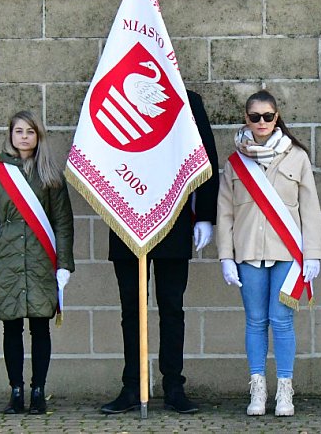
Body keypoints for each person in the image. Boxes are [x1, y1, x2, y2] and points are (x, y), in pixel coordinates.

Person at [101, 89, 218, 415]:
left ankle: (173, 386)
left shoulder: (188, 100)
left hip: (173, 218)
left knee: (171, 307)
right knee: (131, 309)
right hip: (126, 215)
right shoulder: (116, 93)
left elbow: (206, 157)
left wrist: (205, 214)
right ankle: (132, 386)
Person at [217, 89, 321, 417]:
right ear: (246, 119)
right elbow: (225, 212)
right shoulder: (235, 163)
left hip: (287, 253)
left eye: (267, 116)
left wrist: (313, 253)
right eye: (255, 116)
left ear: (276, 117)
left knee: (281, 320)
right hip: (249, 252)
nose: (261, 122)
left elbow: (310, 209)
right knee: (255, 321)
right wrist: (225, 256)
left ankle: (285, 390)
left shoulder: (297, 156)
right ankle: (258, 388)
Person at [0, 110, 75, 415]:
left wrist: (64, 264)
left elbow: (63, 223)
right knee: (11, 326)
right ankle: (16, 390)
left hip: (41, 260)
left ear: (38, 135)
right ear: (11, 135)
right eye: (19, 131)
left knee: (41, 326)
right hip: (5, 260)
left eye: (30, 131)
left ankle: (38, 390)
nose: (24, 137)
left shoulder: (50, 174)